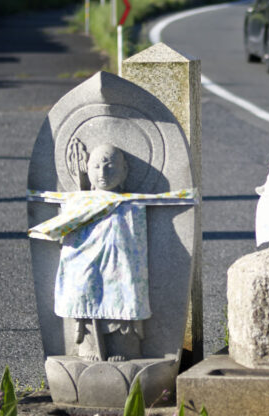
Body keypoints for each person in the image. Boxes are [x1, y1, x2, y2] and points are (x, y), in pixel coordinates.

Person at [28, 139, 195, 362]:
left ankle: (124, 348)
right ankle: (89, 347)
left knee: (123, 296)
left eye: (109, 165)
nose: (102, 172)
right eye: (96, 166)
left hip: (120, 267)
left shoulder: (131, 202)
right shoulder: (79, 200)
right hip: (86, 265)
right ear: (87, 170)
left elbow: (167, 203)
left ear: (124, 171)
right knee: (82, 292)